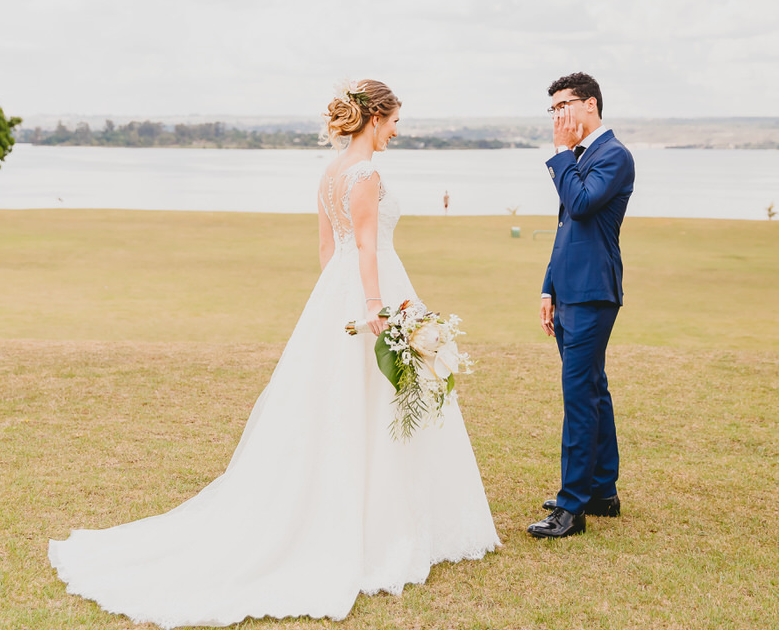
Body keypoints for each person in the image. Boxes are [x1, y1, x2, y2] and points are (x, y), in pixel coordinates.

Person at [49, 79, 499, 627]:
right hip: (372, 292)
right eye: (395, 122)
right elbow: (364, 244)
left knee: (351, 402)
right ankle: (379, 524)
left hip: (339, 291)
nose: (397, 132)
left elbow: (327, 248)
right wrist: (373, 306)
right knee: (379, 400)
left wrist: (336, 300)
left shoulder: (330, 173)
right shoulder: (365, 174)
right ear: (375, 117)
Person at [528, 72, 634, 539]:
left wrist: (559, 153)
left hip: (593, 292)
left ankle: (571, 508)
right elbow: (565, 229)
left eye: (563, 105)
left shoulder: (613, 155)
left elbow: (583, 204)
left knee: (578, 397)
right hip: (569, 290)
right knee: (593, 389)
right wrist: (548, 288)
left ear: (590, 104)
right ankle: (602, 491)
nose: (557, 115)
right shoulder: (578, 157)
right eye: (552, 108)